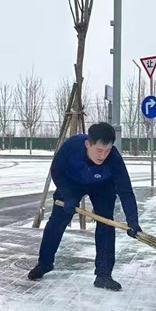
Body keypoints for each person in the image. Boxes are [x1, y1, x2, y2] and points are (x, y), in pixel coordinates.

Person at [28, 122, 142, 291]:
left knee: (106, 224)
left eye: (107, 150)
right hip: (72, 183)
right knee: (56, 223)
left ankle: (103, 275)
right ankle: (44, 263)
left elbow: (125, 190)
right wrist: (68, 196)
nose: (103, 155)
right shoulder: (72, 146)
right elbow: (57, 170)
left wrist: (133, 221)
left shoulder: (114, 159)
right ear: (88, 144)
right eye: (99, 150)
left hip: (102, 186)